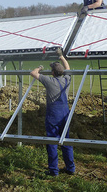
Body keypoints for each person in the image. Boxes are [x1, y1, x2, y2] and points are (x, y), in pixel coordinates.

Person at [30, 48, 75, 177]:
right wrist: (61, 56)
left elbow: (33, 73)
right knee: (65, 140)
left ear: (53, 72)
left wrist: (39, 67)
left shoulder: (49, 81)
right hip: (65, 112)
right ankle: (70, 168)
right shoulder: (67, 79)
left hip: (53, 114)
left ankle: (53, 171)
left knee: (52, 141)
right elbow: (68, 68)